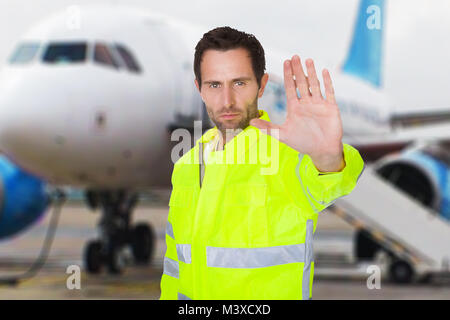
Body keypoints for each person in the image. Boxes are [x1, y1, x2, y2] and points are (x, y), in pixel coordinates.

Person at [160, 26, 364, 300]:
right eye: (214, 85)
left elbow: (330, 179)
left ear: (262, 84)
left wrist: (327, 155)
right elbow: (174, 267)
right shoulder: (187, 165)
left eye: (240, 83)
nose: (227, 100)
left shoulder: (286, 156)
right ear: (200, 88)